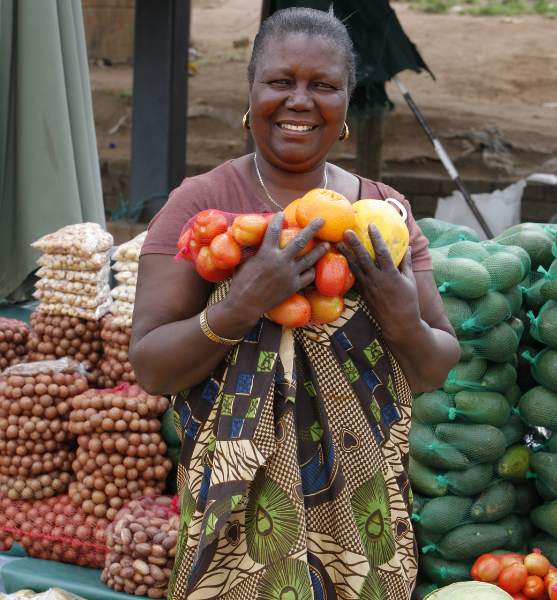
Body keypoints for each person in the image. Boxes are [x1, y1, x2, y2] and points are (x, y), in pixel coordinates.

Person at [130, 7, 460, 600]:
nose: (300, 101)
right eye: (281, 82)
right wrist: (241, 305)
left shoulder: (383, 214)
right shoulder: (202, 205)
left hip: (364, 518)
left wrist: (398, 313)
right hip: (238, 520)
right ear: (251, 91)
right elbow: (152, 366)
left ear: (347, 100)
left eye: (323, 85)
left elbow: (433, 366)